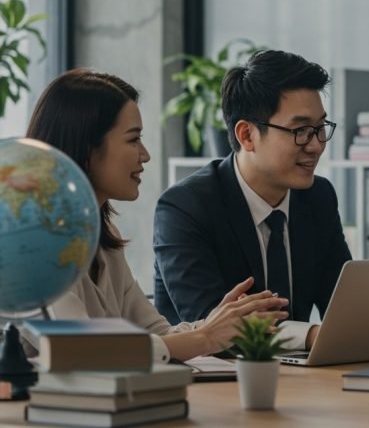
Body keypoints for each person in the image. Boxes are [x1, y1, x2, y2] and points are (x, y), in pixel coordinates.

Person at [28, 69, 288, 363]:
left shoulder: (100, 239)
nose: (145, 154)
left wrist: (219, 323)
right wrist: (205, 337)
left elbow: (158, 335)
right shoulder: (28, 245)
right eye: (133, 139)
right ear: (87, 148)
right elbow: (80, 351)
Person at [154, 50, 351, 351]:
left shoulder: (317, 197)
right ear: (247, 135)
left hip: (297, 376)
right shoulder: (185, 207)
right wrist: (312, 336)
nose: (315, 145)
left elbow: (343, 306)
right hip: (213, 381)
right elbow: (212, 327)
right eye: (300, 131)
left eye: (320, 128)